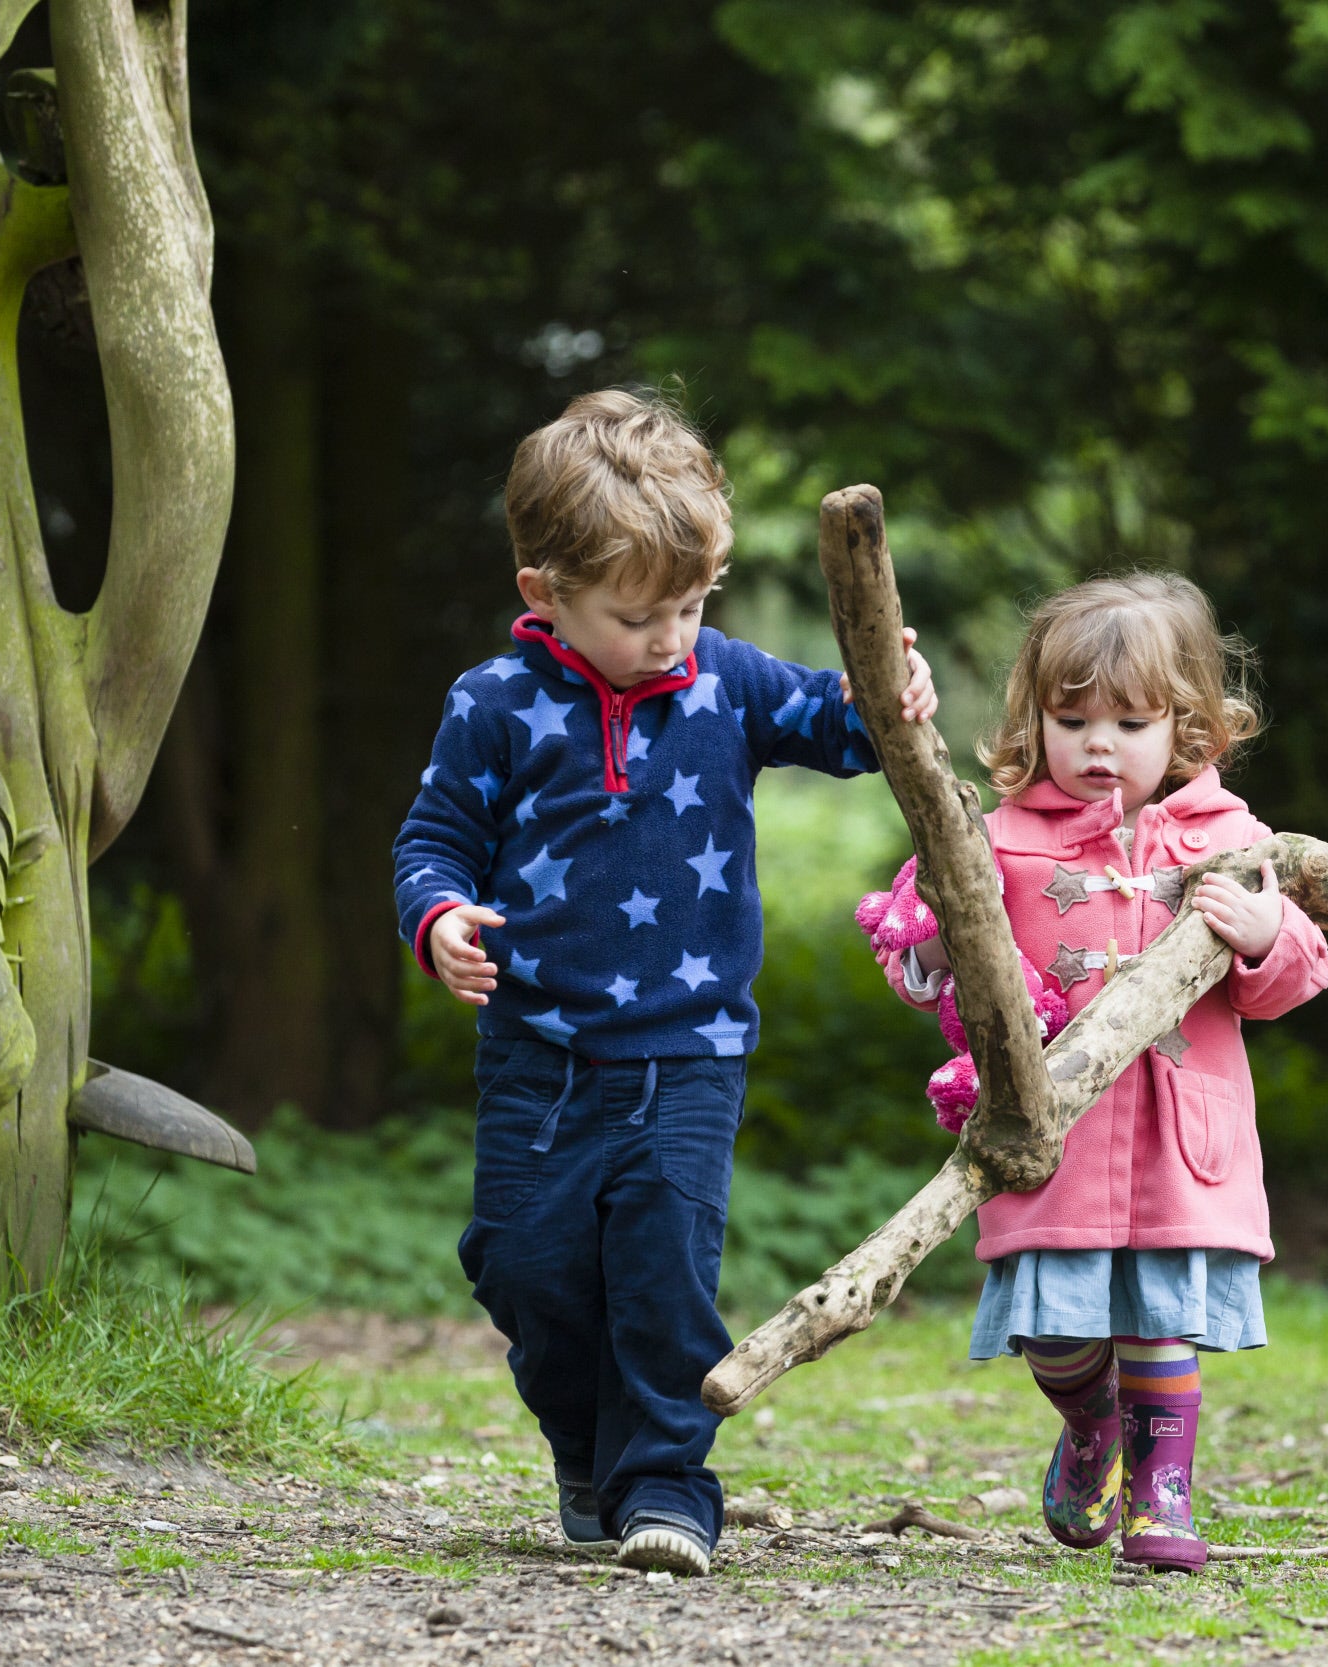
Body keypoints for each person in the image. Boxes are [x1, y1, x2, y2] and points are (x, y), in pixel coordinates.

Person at [392, 389, 935, 1576]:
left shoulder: (723, 680)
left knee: (662, 1273)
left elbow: (844, 727)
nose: (672, 636)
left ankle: (668, 1486)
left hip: (690, 1052)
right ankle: (587, 1438)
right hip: (538, 1048)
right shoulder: (494, 706)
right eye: (638, 614)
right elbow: (430, 837)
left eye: (693, 604)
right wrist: (438, 916)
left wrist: (888, 685)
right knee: (522, 1261)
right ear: (545, 594)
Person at [873, 572, 1328, 1573]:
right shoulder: (997, 838)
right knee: (1059, 1335)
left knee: (1163, 1319)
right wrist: (944, 942)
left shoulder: (1232, 841)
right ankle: (1090, 1426)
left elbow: (1288, 979)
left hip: (1181, 1140)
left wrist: (1265, 932)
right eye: (1070, 716)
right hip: (1055, 1144)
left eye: (1130, 720)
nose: (1097, 743)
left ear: (1190, 727)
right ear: (1032, 716)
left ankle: (1163, 1496)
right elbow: (913, 961)